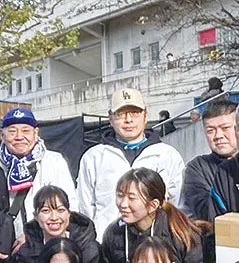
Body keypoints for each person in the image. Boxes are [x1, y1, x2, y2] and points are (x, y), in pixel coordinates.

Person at [0, 107, 79, 263]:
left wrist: (34, 233)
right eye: (12, 131)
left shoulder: (54, 162)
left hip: (43, 254)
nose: (19, 136)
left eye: (26, 130)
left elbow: (70, 207)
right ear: (2, 135)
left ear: (36, 133)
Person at [78, 89, 186, 232]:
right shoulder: (94, 157)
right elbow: (84, 206)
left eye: (135, 113)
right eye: (121, 114)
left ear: (145, 116)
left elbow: (177, 204)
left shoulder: (168, 155)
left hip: (156, 246)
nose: (128, 120)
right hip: (106, 246)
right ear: (110, 118)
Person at [97, 168, 209, 263]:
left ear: (153, 205)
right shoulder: (114, 233)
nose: (123, 204)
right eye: (120, 195)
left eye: (132, 198)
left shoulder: (179, 233)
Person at [6, 186, 103, 263]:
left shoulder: (89, 250)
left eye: (60, 210)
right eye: (46, 211)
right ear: (36, 216)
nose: (54, 218)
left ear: (69, 214)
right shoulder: (27, 253)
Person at [180, 99, 238, 220]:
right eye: (210, 131)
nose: (218, 136)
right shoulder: (197, 168)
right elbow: (206, 211)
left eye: (225, 128)